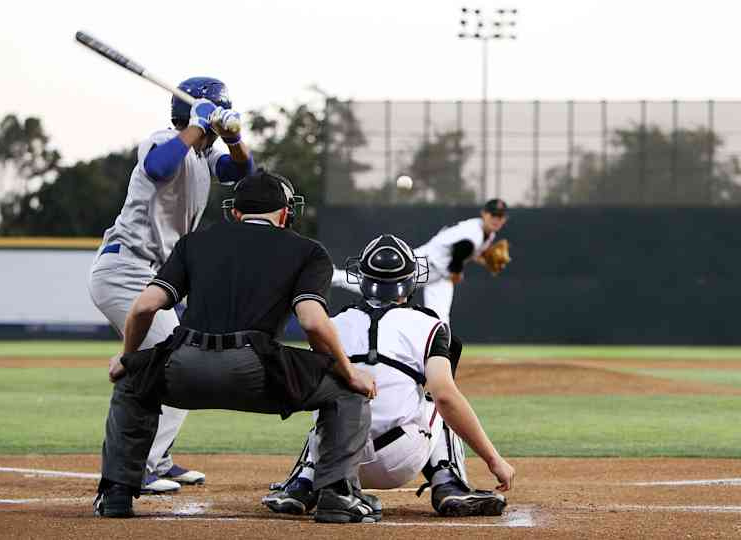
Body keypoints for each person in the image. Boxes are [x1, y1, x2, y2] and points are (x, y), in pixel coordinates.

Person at [93, 170, 383, 524]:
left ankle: (116, 493)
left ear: (235, 212)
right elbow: (312, 321)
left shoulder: (194, 243)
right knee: (346, 392)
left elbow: (144, 307)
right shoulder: (308, 251)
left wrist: (128, 358)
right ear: (285, 213)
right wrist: (347, 372)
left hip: (183, 366)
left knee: (131, 383)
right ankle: (337, 493)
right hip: (256, 370)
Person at [264, 234, 515, 517]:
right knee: (436, 399)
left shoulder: (332, 325)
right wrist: (494, 460)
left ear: (363, 279)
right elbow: (446, 397)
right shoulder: (429, 325)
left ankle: (301, 484)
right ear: (409, 281)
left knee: (330, 406)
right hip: (400, 459)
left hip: (335, 465)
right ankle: (449, 484)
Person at [87, 76, 253, 494]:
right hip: (124, 271)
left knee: (185, 361)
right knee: (175, 363)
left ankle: (157, 458)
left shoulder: (202, 154)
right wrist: (197, 124)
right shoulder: (162, 141)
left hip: (155, 277)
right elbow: (158, 168)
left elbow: (243, 174)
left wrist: (234, 139)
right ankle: (139, 465)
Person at [332, 199, 509, 323]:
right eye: (492, 214)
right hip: (423, 265)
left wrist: (481, 260)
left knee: (440, 319)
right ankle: (336, 275)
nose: (496, 219)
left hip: (440, 275)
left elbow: (469, 251)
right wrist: (457, 272)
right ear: (484, 214)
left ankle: (438, 354)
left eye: (500, 216)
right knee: (379, 289)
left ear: (504, 219)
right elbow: (462, 248)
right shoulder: (474, 233)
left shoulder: (487, 234)